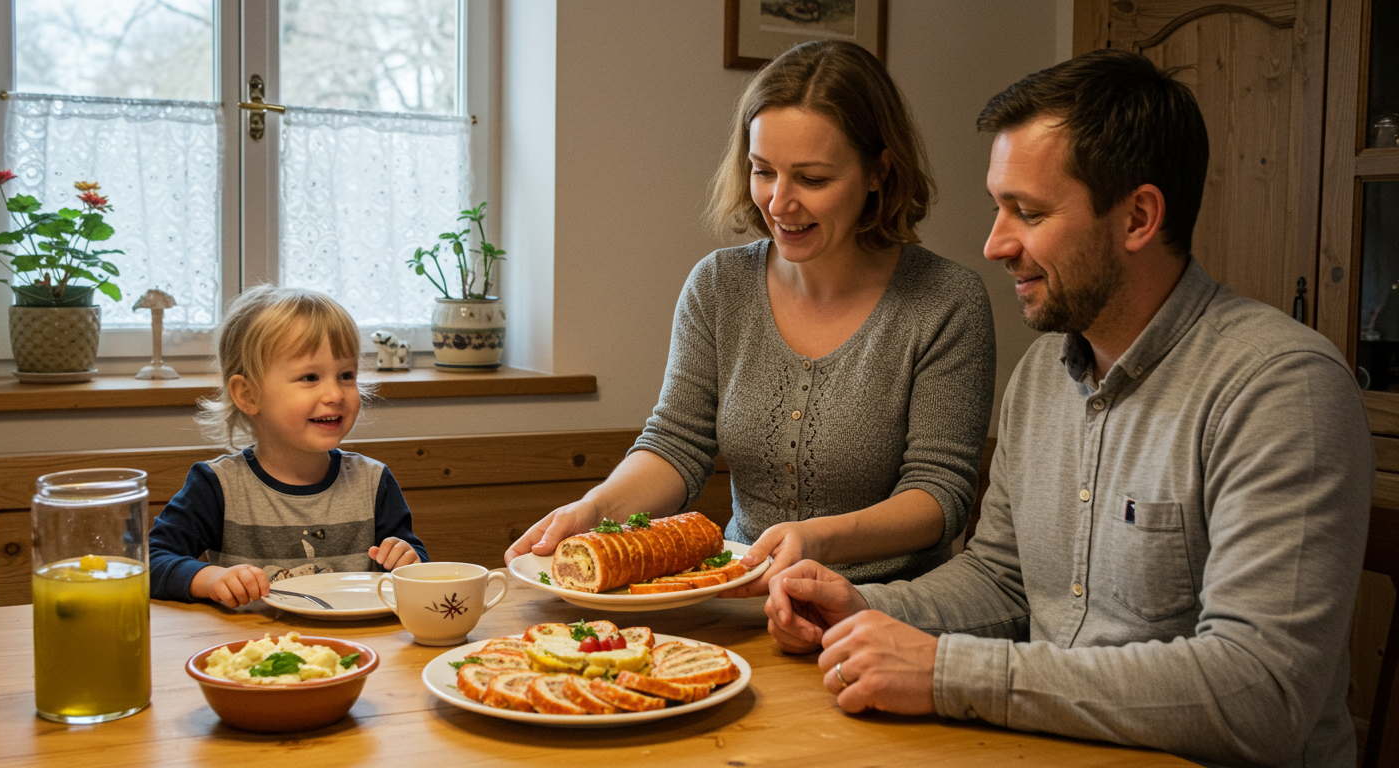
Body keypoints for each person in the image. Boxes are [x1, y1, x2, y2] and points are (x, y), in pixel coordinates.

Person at [764, 48, 1373, 767]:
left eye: (1028, 211)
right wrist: (865, 609)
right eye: (999, 207)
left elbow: (1261, 694)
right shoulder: (1043, 376)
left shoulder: (1281, 388)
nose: (995, 243)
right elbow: (1001, 580)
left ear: (1139, 217)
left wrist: (948, 672)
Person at [504, 40, 995, 593]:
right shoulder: (719, 285)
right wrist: (596, 509)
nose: (779, 202)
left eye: (812, 179)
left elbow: (939, 493)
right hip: (744, 595)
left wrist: (817, 539)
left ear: (879, 171)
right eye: (764, 172)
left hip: (888, 609)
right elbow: (676, 445)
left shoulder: (945, 302)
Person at [149, 285, 428, 606]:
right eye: (310, 377)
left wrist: (409, 562)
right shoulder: (216, 486)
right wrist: (210, 578)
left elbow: (416, 571)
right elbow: (151, 563)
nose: (335, 394)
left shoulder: (374, 481)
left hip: (360, 648)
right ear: (249, 395)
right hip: (256, 649)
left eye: (346, 375)